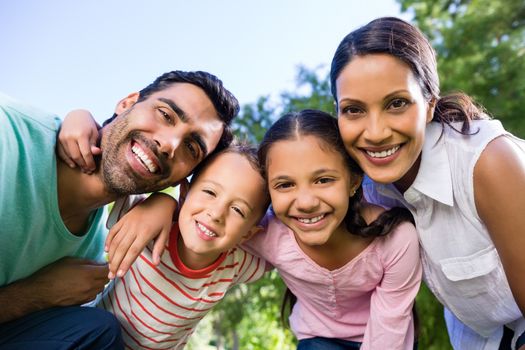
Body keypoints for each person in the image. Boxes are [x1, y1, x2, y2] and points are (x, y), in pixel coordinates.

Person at [0, 70, 239, 349]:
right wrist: (34, 295)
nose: (169, 145)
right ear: (127, 103)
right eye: (165, 115)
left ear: (183, 179)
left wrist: (166, 201)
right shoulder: (9, 137)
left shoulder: (93, 252)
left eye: (191, 147)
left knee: (99, 331)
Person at [330, 16, 525, 350]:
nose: (375, 133)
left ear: (430, 105)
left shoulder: (487, 162)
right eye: (353, 110)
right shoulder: (366, 186)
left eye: (397, 103)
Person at [243, 110, 422, 349]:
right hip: (317, 340)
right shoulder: (266, 234)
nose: (306, 203)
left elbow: (388, 334)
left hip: (389, 336)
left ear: (354, 181)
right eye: (285, 185)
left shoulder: (396, 238)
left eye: (323, 180)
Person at [90, 141, 270, 349]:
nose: (217, 214)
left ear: (247, 234)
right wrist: (162, 200)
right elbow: (103, 166)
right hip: (95, 339)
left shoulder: (237, 264)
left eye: (238, 210)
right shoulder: (145, 223)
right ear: (184, 192)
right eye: (210, 192)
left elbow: (290, 249)